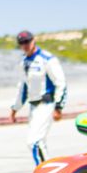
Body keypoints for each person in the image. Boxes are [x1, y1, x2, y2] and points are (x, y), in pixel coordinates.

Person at [9, 30, 66, 164]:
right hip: (33, 107)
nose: (25, 45)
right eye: (22, 43)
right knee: (34, 143)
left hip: (46, 104)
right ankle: (48, 172)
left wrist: (59, 107)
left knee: (35, 142)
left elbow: (61, 83)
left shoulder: (47, 59)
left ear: (33, 40)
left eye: (27, 41)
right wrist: (14, 109)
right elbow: (23, 88)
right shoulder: (23, 63)